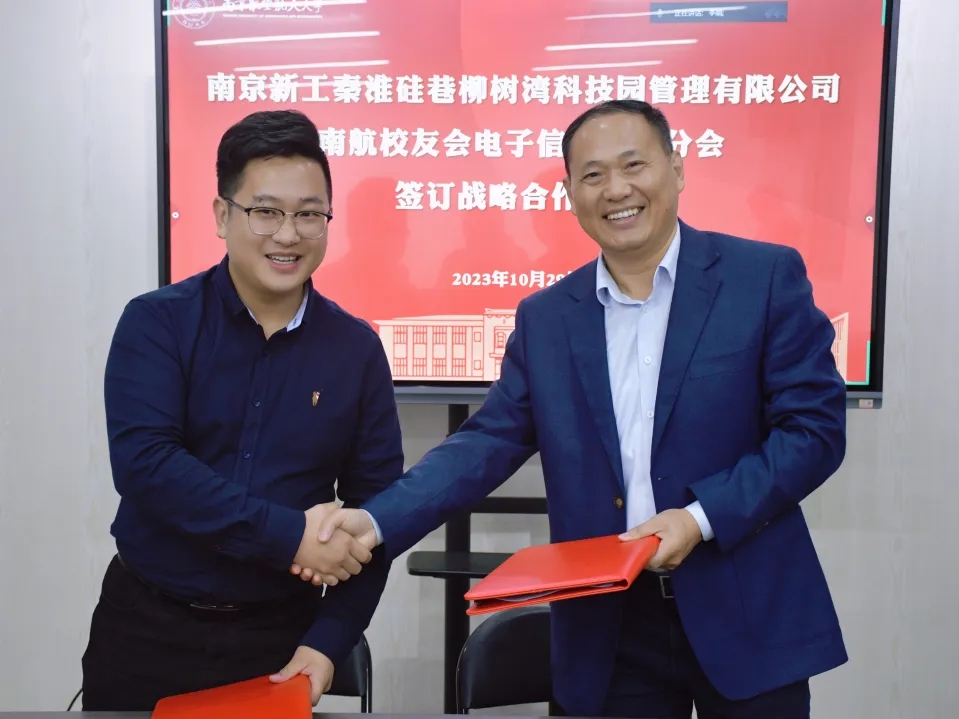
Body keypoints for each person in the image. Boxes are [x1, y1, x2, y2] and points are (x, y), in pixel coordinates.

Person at [296, 100, 848, 719]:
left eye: (633, 165)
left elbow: (814, 431)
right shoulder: (548, 318)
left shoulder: (762, 277)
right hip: (610, 625)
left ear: (677, 168)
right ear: (570, 194)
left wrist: (698, 519)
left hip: (748, 607)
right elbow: (484, 444)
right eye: (592, 175)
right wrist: (374, 523)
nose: (616, 190)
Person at [80, 109, 404, 710]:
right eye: (266, 211)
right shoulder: (157, 323)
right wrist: (290, 537)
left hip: (277, 641)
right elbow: (147, 465)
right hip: (145, 630)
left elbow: (378, 513)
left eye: (309, 214)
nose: (289, 234)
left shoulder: (356, 349)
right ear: (222, 215)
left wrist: (330, 640)